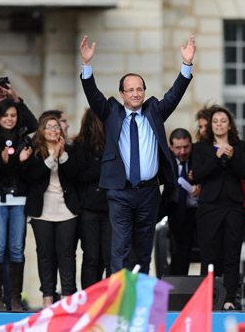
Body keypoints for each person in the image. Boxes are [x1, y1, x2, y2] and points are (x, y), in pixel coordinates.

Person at [79, 34, 196, 274]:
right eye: (130, 90)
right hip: (120, 191)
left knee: (144, 248)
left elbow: (174, 94)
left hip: (149, 191)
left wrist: (186, 65)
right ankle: (120, 300)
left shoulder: (154, 110)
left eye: (139, 89)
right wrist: (87, 66)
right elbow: (93, 95)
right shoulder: (111, 111)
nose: (135, 94)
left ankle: (139, 300)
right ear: (121, 93)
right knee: (120, 247)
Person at [192, 105, 245, 310]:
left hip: (234, 206)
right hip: (209, 206)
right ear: (210, 125)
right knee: (208, 255)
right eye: (215, 121)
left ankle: (229, 299)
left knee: (232, 255)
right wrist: (216, 158)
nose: (219, 125)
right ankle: (207, 298)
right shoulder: (200, 148)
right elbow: (197, 174)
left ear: (229, 125)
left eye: (223, 121)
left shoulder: (240, 146)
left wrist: (233, 156)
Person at [0, 99, 33, 311]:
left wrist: (22, 162)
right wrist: (1, 163)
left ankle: (15, 299)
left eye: (13, 115)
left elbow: (29, 175)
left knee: (17, 249)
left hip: (19, 198)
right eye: (6, 115)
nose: (10, 119)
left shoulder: (23, 138)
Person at [25, 116, 80, 307]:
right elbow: (33, 175)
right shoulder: (34, 151)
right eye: (48, 126)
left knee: (66, 254)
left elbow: (75, 174)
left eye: (56, 126)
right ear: (41, 130)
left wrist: (62, 155)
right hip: (42, 211)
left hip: (67, 209)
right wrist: (52, 157)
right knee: (45, 254)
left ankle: (67, 296)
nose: (53, 129)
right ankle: (47, 297)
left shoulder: (71, 150)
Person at [73, 108, 111, 288]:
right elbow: (79, 176)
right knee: (92, 257)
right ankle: (90, 297)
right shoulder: (80, 145)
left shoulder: (113, 144)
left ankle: (103, 297)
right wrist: (102, 169)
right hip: (90, 208)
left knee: (105, 257)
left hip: (106, 207)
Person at [159, 128, 200, 275]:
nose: (182, 152)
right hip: (176, 209)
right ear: (171, 147)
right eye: (178, 148)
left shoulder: (198, 156)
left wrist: (199, 186)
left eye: (186, 147)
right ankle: (177, 288)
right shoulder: (165, 160)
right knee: (179, 249)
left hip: (199, 208)